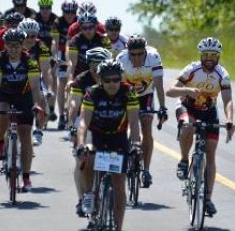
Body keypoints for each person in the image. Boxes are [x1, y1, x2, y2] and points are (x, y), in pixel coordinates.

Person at [166, 37, 235, 216]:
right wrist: (187, 90)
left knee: (211, 155)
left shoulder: (222, 74)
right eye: (206, 55)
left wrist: (229, 119)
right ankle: (183, 160)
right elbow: (170, 90)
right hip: (187, 107)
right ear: (201, 55)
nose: (209, 58)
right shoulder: (191, 69)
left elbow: (227, 100)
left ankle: (207, 199)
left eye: (213, 55)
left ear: (218, 56)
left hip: (209, 112)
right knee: (188, 126)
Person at [75, 59, 140, 231]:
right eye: (107, 80)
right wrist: (81, 144)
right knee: (87, 156)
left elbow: (134, 123)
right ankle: (88, 194)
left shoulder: (129, 92)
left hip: (118, 139)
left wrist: (136, 144)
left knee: (119, 185)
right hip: (97, 137)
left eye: (116, 79)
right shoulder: (92, 93)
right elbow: (83, 123)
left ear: (121, 78)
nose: (112, 83)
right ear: (101, 80)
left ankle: (118, 227)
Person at [0, 28, 42, 191]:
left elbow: (34, 87)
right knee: (1, 111)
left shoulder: (30, 62)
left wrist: (36, 104)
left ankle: (26, 177)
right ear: (5, 46)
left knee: (25, 135)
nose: (13, 49)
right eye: (10, 46)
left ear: (22, 45)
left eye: (17, 46)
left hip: (24, 96)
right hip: (5, 94)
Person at [116, 34, 167, 188]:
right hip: (126, 95)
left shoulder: (153, 57)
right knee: (126, 126)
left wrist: (163, 107)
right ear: (127, 52)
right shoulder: (121, 59)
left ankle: (146, 170)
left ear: (145, 51)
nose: (137, 58)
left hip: (146, 95)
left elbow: (158, 85)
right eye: (133, 54)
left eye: (140, 54)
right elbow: (116, 86)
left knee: (146, 126)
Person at [68, 47, 112, 217]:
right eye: (93, 63)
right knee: (82, 160)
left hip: (107, 119)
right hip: (85, 117)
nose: (96, 67)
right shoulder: (81, 79)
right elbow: (74, 105)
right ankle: (82, 199)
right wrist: (72, 124)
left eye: (100, 63)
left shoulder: (112, 78)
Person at [17, 18, 53, 146]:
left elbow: (46, 70)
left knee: (45, 108)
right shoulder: (15, 44)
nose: (30, 39)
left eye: (33, 36)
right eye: (27, 36)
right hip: (16, 77)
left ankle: (38, 130)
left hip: (35, 78)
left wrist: (48, 89)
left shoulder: (41, 46)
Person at [51, 0, 79, 130]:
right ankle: (61, 114)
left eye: (72, 12)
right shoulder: (58, 22)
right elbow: (54, 43)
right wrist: (55, 57)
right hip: (62, 52)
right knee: (62, 81)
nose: (70, 14)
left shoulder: (79, 22)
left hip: (77, 53)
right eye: (67, 12)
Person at [66, 12, 111, 79]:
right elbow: (72, 64)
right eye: (84, 28)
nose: (88, 30)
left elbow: (109, 60)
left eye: (91, 27)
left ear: (95, 27)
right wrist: (70, 80)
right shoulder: (75, 40)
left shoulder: (104, 40)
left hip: (99, 74)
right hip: (80, 76)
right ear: (81, 28)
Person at [35, 0, 59, 122]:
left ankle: (51, 107)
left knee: (53, 76)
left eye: (48, 8)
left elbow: (55, 41)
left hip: (50, 52)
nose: (45, 11)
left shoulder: (55, 20)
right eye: (42, 8)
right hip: (36, 51)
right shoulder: (34, 18)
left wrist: (54, 56)